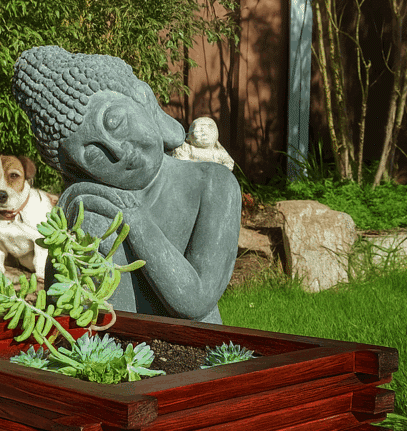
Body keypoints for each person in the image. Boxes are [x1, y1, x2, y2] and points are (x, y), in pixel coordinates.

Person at [12, 46, 241, 323]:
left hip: (197, 344)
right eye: (93, 153)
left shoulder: (213, 184)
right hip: (110, 347)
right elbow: (62, 307)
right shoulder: (93, 208)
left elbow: (195, 302)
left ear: (143, 98)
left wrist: (135, 220)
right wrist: (72, 225)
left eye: (115, 122)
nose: (118, 151)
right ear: (76, 169)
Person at [172, 116, 236, 171]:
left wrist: (219, 169)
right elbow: (180, 160)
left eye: (202, 132)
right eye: (196, 131)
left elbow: (229, 163)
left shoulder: (218, 152)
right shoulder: (187, 148)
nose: (197, 134)